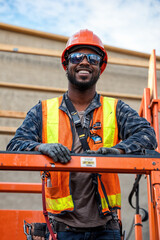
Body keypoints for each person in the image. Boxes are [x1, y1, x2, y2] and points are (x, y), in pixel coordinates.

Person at [7, 29, 157, 240]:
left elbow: (148, 135)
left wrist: (119, 150)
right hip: (62, 229)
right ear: (66, 65)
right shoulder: (43, 111)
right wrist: (41, 147)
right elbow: (16, 144)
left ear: (100, 68)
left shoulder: (115, 109)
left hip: (107, 228)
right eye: (77, 57)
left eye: (93, 58)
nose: (85, 62)